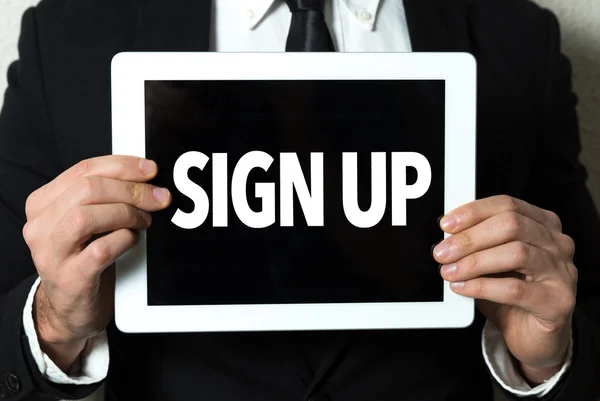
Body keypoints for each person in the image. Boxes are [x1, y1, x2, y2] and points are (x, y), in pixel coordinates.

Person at [0, 0, 599, 400]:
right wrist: (54, 324)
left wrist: (548, 359)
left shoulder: (518, 38)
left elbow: (579, 294)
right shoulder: (69, 34)